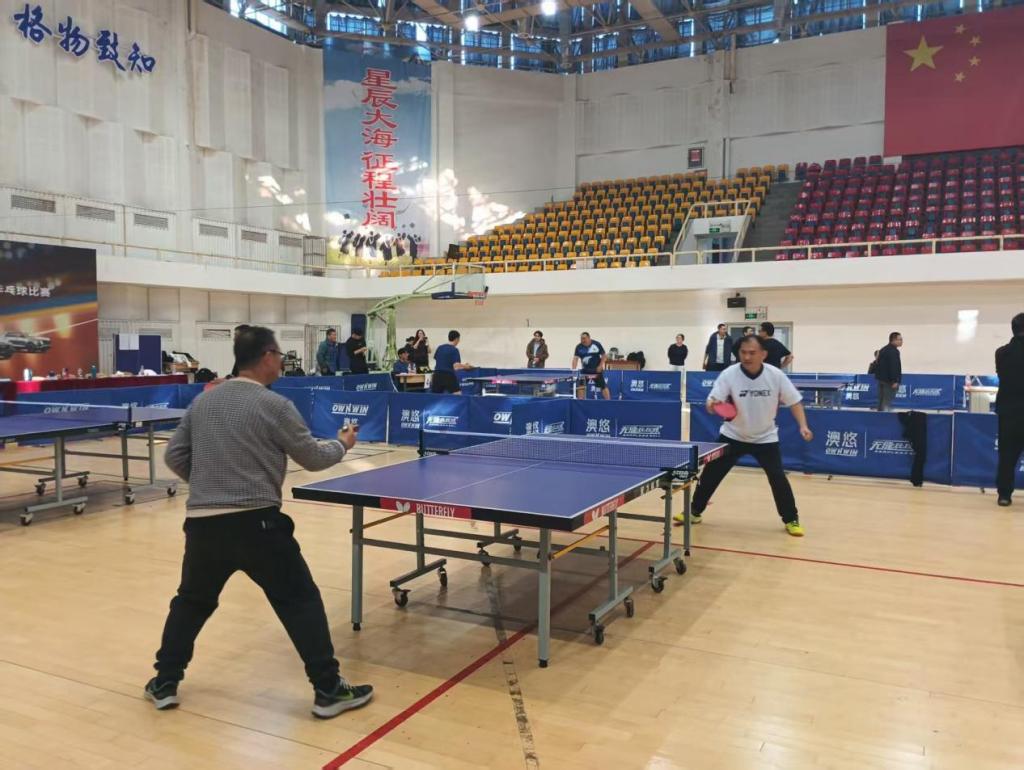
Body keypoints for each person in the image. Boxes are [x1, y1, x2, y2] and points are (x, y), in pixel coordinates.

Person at [146, 326, 372, 719]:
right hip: (258, 525)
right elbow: (313, 458)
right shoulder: (275, 405)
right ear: (267, 355)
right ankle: (328, 689)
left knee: (191, 602)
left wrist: (210, 483)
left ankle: (165, 681)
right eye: (280, 355)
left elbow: (175, 456)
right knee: (299, 600)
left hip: (203, 525)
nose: (281, 362)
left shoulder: (203, 402)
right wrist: (343, 444)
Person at [677, 334, 813, 537]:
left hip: (765, 438)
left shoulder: (775, 375)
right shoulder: (729, 374)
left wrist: (803, 426)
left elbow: (794, 402)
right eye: (743, 352)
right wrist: (713, 405)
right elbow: (712, 403)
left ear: (763, 354)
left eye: (752, 353)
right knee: (711, 474)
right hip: (733, 435)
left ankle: (791, 519)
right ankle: (694, 512)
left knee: (778, 478)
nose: (747, 357)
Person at [995, 313, 1024, 507]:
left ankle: (1004, 495)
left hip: (1008, 412)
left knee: (1006, 456)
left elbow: (1003, 375)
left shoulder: (1001, 353)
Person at [572, 331, 611, 400]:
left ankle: (609, 402)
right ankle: (580, 402)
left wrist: (600, 366)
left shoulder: (597, 344)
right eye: (581, 338)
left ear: (589, 338)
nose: (582, 340)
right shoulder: (578, 347)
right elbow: (575, 359)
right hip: (585, 371)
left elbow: (604, 356)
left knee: (603, 386)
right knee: (581, 386)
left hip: (596, 370)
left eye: (584, 338)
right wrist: (573, 370)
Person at [431, 329, 473, 394]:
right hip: (448, 375)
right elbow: (456, 366)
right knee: (458, 394)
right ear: (456, 339)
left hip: (436, 375)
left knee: (435, 397)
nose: (459, 341)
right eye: (459, 339)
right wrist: (466, 366)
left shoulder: (440, 347)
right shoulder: (454, 350)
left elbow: (439, 361)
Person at [875, 332, 903, 412]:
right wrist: (895, 380)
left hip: (881, 380)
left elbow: (877, 364)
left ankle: (879, 417)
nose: (901, 341)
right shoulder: (893, 351)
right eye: (900, 339)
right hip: (889, 382)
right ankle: (884, 418)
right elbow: (894, 366)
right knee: (886, 402)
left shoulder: (883, 349)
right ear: (893, 340)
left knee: (881, 401)